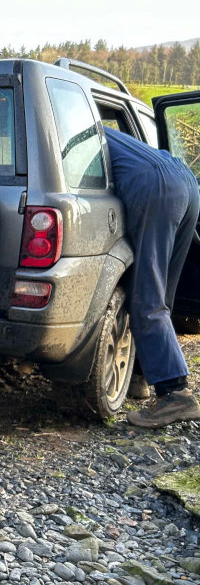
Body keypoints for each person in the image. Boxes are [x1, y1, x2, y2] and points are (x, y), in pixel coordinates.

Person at [105, 128, 200, 428]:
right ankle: (143, 376)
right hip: (184, 180)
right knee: (162, 297)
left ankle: (175, 393)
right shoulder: (103, 130)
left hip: (155, 187)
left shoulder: (73, 125)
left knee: (146, 297)